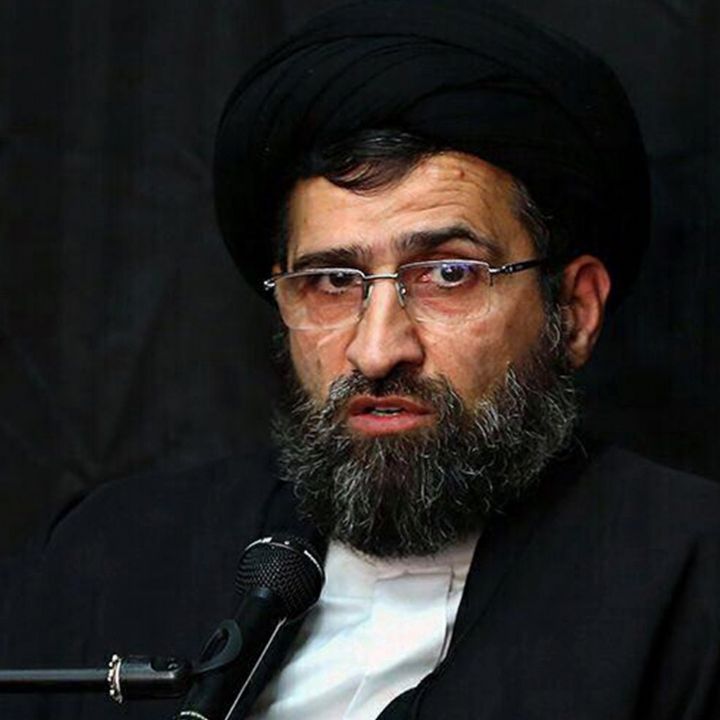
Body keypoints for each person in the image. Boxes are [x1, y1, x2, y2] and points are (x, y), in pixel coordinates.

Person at [1, 1, 719, 718]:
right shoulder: (109, 556)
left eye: (449, 275)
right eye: (331, 282)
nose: (376, 350)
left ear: (576, 309)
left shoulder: (692, 581)